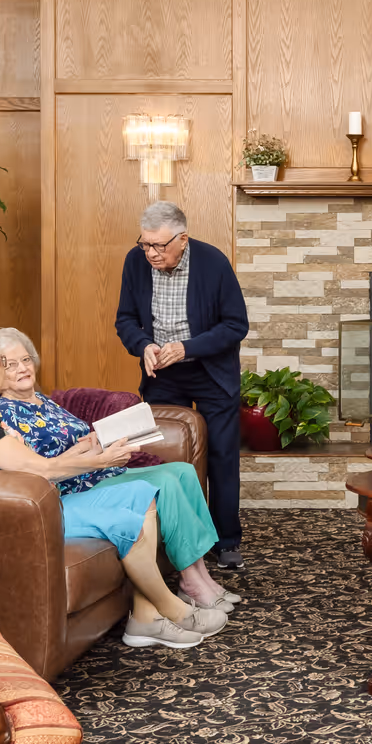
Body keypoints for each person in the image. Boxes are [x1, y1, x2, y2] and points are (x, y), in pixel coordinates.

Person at [0, 327, 229, 650]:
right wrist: (101, 460)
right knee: (127, 515)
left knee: (142, 494)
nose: (8, 367)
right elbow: (42, 469)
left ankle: (145, 617)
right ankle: (174, 609)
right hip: (20, 517)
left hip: (33, 501)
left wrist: (92, 450)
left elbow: (38, 465)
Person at [0, 326, 238, 612]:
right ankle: (190, 580)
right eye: (11, 365)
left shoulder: (43, 400)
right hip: (79, 484)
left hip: (99, 471)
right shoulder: (6, 412)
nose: (22, 368)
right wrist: (90, 452)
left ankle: (201, 573)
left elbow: (73, 438)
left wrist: (95, 439)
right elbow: (40, 464)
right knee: (167, 483)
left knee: (182, 471)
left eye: (25, 360)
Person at [116, 200, 250, 570]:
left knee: (222, 457)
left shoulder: (213, 262)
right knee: (163, 455)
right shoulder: (135, 262)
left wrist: (187, 348)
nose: (151, 253)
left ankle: (226, 541)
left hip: (211, 372)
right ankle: (172, 538)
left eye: (159, 245)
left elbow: (235, 325)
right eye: (145, 244)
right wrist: (144, 345)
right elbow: (125, 319)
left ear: (182, 239)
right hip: (163, 373)